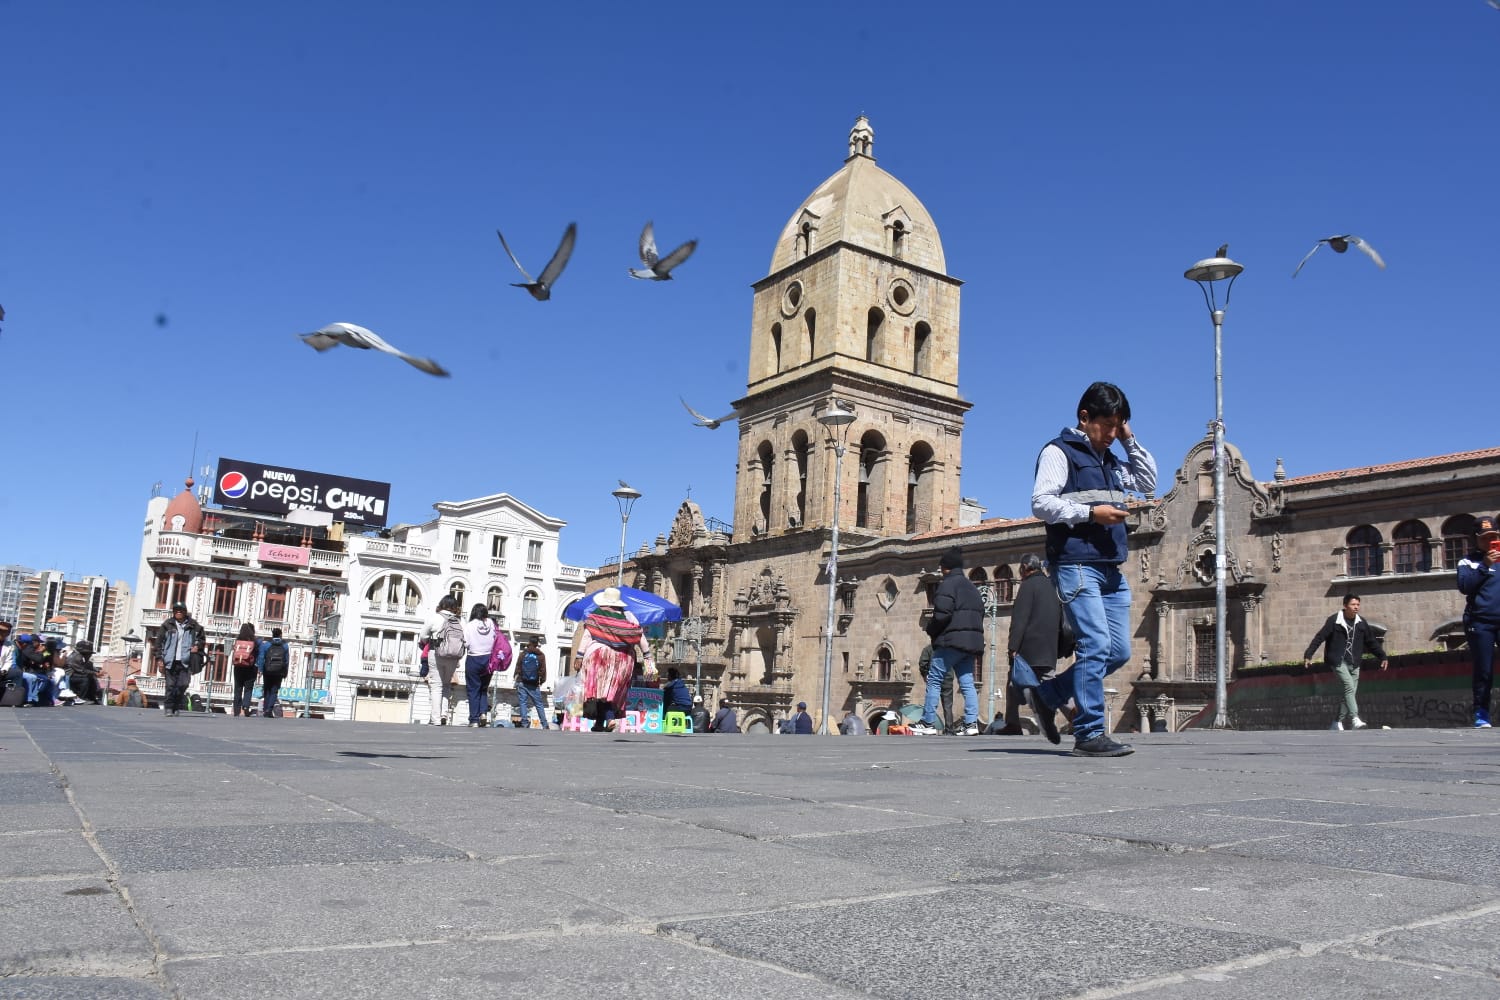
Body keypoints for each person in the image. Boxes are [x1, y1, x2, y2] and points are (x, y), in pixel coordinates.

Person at [1026, 381, 1156, 757]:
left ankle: (1048, 694)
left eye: (1120, 426)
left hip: (1111, 569)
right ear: (1084, 417)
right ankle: (1089, 732)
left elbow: (1147, 483)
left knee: (1117, 652)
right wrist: (1089, 514)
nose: (1114, 434)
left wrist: (1129, 437)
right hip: (1077, 563)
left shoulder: (1112, 461)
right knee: (1094, 644)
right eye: (1109, 425)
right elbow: (1041, 503)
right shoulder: (1059, 452)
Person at [912, 547, 985, 736]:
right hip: (971, 643)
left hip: (951, 642)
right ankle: (971, 724)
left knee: (935, 678)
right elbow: (981, 613)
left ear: (945, 568)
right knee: (967, 681)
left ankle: (928, 722)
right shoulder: (972, 588)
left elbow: (942, 615)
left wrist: (931, 630)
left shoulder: (947, 585)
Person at [1303, 594, 1389, 730]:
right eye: (1353, 605)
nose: (1356, 607)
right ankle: (1355, 718)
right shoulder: (1334, 621)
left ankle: (1336, 722)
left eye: (1358, 605)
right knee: (1349, 687)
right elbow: (1320, 637)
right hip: (1338, 661)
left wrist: (1382, 656)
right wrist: (1308, 654)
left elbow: (1371, 641)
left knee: (1349, 693)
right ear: (1345, 606)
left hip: (1354, 662)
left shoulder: (1361, 623)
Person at [1003, 553, 1062, 734]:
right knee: (1049, 683)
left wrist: (1013, 647)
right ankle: (1075, 714)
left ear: (1024, 568)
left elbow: (1020, 620)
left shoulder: (1028, 586)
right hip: (1049, 648)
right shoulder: (1051, 586)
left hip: (1029, 648)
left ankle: (1013, 724)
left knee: (1013, 682)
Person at [577, 587, 649, 731]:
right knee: (610, 690)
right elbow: (639, 635)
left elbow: (587, 635)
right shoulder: (628, 615)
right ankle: (599, 723)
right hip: (624, 659)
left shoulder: (596, 616)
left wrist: (579, 655)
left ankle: (608, 718)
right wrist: (647, 655)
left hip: (600, 655)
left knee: (600, 691)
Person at [1458, 515, 1500, 728]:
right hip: (1480, 621)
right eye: (1485, 537)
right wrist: (1484, 565)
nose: (1489, 541)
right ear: (1476, 538)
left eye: (1493, 536)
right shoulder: (1467, 561)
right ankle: (1481, 713)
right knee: (1484, 669)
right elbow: (1465, 586)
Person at [422, 595, 465, 725]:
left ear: (441, 604)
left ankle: (435, 719)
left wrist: (426, 641)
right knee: (446, 684)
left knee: (436, 686)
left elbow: (423, 635)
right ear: (455, 607)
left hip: (436, 654)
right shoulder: (460, 620)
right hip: (453, 657)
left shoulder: (435, 617)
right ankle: (443, 715)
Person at [158, 602, 204, 717]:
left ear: (185, 612)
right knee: (170, 685)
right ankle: (169, 707)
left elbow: (202, 639)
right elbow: (159, 643)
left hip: (186, 661)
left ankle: (176, 705)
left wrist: (197, 646)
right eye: (176, 610)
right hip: (170, 661)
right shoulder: (167, 625)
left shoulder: (194, 625)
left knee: (183, 684)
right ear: (173, 612)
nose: (178, 612)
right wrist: (160, 659)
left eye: (181, 610)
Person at [461, 603, 497, 727]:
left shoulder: (469, 625)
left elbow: (465, 643)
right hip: (488, 659)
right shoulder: (491, 623)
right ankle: (483, 714)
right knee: (483, 688)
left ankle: (474, 719)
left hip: (474, 658)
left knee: (473, 690)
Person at [916, 643, 956, 734]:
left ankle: (929, 723)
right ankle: (949, 729)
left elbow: (923, 663)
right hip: (948, 678)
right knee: (948, 705)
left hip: (934, 677)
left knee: (931, 700)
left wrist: (925, 674)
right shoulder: (949, 648)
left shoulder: (928, 649)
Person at [515, 638, 550, 729]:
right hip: (534, 684)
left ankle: (524, 723)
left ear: (529, 642)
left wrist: (516, 677)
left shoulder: (523, 654)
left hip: (522, 681)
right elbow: (543, 670)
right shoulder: (541, 655)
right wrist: (541, 681)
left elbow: (518, 666)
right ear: (537, 644)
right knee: (539, 704)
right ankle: (545, 724)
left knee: (523, 702)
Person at [257, 627, 290, 718]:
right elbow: (286, 660)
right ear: (280, 635)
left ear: (272, 635)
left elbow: (261, 657)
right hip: (279, 671)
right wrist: (285, 672)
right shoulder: (285, 645)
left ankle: (265, 709)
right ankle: (269, 709)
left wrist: (260, 669)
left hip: (267, 670)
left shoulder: (266, 644)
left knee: (267, 689)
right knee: (274, 691)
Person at [229, 622, 259, 717]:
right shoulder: (254, 641)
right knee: (248, 688)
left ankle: (236, 709)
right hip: (250, 667)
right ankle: (246, 706)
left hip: (238, 667)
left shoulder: (238, 640)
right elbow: (257, 654)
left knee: (238, 688)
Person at [66, 639, 104, 705]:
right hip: (69, 676)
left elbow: (87, 666)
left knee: (91, 677)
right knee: (85, 679)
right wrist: (95, 673)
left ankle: (92, 697)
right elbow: (82, 670)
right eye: (88, 654)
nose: (89, 655)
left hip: (75, 675)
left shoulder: (81, 658)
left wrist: (97, 671)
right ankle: (81, 697)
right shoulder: (76, 657)